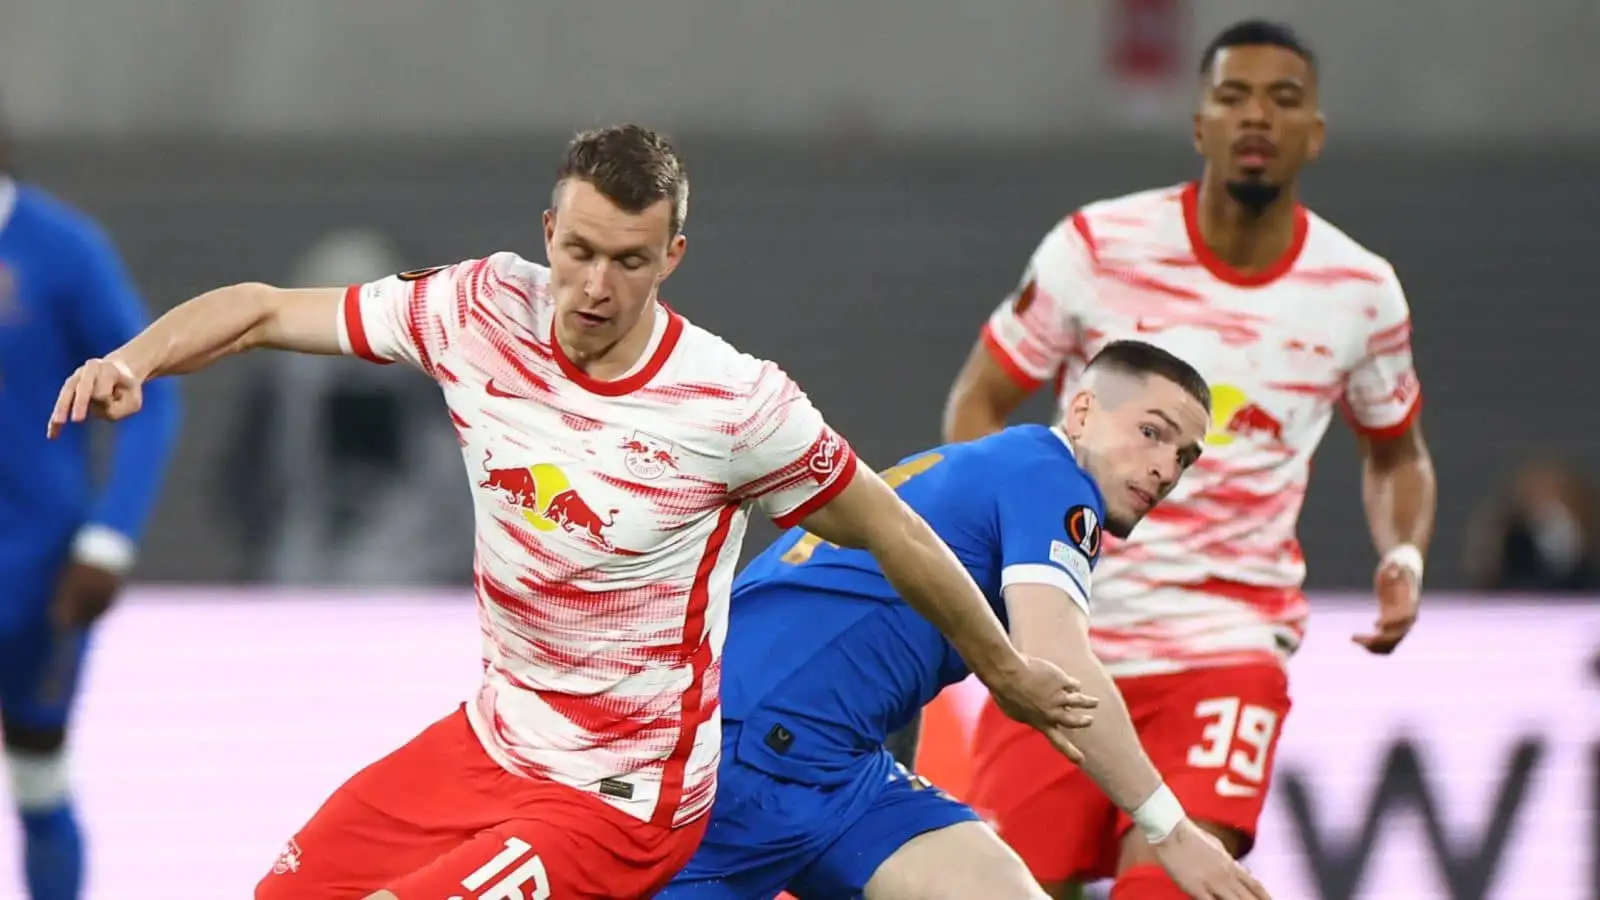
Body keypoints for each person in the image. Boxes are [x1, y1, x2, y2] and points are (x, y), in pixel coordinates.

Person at [46, 124, 1088, 900]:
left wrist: (1005, 671)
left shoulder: (733, 404)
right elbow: (266, 309)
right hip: (491, 743)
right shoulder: (475, 307)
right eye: (579, 251)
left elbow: (892, 528)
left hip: (622, 802)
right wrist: (133, 359)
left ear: (671, 257)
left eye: (629, 261)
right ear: (548, 230)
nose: (594, 286)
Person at [934, 20, 1439, 900]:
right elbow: (980, 398)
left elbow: (1398, 455)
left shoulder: (1360, 293)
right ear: (1199, 123)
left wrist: (1402, 554)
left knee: (1167, 888)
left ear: (1313, 133)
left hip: (1227, 648)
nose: (1257, 116)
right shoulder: (1096, 248)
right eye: (1233, 96)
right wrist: (1001, 557)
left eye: (1282, 100)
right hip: (1066, 637)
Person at [660, 341, 1270, 900]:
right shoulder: (1053, 480)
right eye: (1150, 432)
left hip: (835, 764)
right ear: (1081, 413)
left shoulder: (999, 465)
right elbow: (1057, 659)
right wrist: (1171, 829)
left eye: (1185, 457)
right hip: (741, 760)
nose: (1166, 468)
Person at [0, 134, 182, 899]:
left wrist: (109, 539)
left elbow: (150, 395)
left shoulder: (60, 251)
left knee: (39, 776)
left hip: (37, 576)